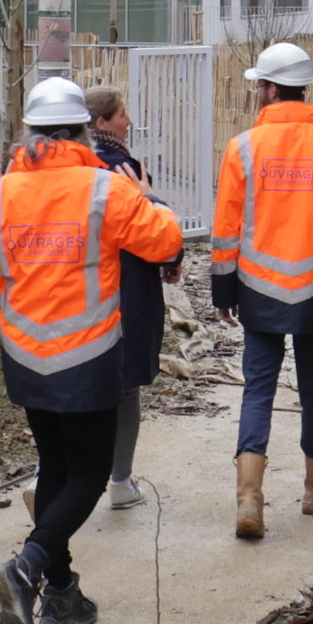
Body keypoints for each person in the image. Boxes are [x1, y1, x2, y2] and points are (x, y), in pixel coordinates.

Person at [0, 74, 186, 624]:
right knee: (87, 474)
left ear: (29, 133)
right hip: (87, 354)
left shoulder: (2, 192)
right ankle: (29, 565)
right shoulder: (103, 188)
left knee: (55, 470)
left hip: (26, 355)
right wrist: (148, 196)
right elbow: (164, 242)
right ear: (82, 130)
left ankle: (60, 596)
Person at [207, 42, 313, 543]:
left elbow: (226, 229)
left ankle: (249, 498)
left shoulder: (241, 148)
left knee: (257, 388)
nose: (257, 91)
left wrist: (224, 290)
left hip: (257, 289)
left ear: (271, 89)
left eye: (259, 84)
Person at [89, 93, 181, 514]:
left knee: (77, 385)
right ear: (103, 121)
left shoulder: (68, 169)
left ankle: (50, 473)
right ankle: (119, 482)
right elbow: (155, 239)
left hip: (77, 295)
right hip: (127, 289)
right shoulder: (125, 170)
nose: (129, 122)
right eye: (122, 114)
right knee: (124, 391)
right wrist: (154, 203)